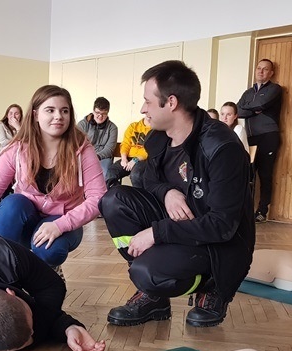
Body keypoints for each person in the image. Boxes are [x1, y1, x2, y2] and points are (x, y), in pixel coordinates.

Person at [100, 60, 254, 328]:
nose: (143, 109)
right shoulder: (158, 137)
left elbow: (222, 226)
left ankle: (213, 287)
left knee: (146, 272)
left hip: (216, 245)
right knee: (113, 201)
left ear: (171, 102)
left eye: (148, 101)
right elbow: (149, 179)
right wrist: (168, 192)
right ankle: (154, 298)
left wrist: (156, 233)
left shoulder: (222, 148)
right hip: (180, 229)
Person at [0, 85, 106, 275]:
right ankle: (5, 273)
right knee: (12, 204)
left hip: (63, 224)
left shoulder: (82, 150)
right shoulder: (16, 149)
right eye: (50, 110)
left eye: (64, 111)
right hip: (25, 219)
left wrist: (61, 225)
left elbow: (98, 198)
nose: (58, 116)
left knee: (49, 250)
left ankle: (48, 272)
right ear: (35, 115)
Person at [237, 59, 283, 223]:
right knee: (248, 174)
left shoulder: (275, 89)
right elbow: (238, 110)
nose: (261, 71)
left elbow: (262, 104)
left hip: (268, 136)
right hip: (250, 138)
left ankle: (262, 211)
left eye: (265, 69)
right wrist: (253, 109)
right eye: (259, 68)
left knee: (265, 174)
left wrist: (251, 107)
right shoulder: (248, 92)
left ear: (271, 73)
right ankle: (245, 210)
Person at [77, 96, 118, 179]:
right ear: (93, 111)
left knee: (105, 173)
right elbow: (77, 144)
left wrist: (96, 157)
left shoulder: (113, 128)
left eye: (104, 114)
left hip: (103, 158)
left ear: (108, 113)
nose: (100, 116)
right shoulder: (82, 124)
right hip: (84, 157)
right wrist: (88, 156)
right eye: (97, 113)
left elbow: (109, 149)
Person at [105, 116, 151, 189]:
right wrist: (124, 158)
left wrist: (135, 160)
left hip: (144, 160)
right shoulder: (133, 126)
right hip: (128, 158)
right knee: (111, 172)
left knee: (136, 175)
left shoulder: (156, 130)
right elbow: (125, 144)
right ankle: (116, 193)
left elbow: (151, 150)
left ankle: (138, 195)